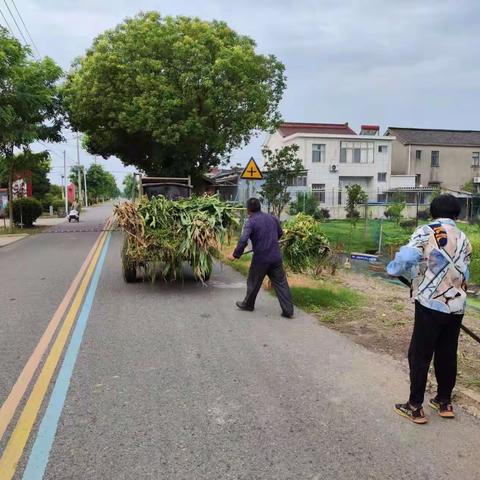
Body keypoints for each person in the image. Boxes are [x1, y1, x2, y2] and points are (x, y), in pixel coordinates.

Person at [387, 194, 472, 424]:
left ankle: (414, 406)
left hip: (430, 303)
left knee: (420, 354)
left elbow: (408, 255)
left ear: (433, 212)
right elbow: (466, 273)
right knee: (446, 354)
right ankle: (444, 402)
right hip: (456, 305)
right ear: (457, 214)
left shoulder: (427, 230)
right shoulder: (464, 237)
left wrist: (393, 268)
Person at [228, 198, 294, 318]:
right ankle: (288, 310)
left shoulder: (251, 221)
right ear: (260, 207)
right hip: (275, 257)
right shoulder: (272, 218)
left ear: (248, 210)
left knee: (253, 282)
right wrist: (271, 243)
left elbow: (243, 240)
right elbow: (280, 233)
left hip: (261, 259)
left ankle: (248, 305)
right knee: (281, 284)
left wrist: (235, 255)